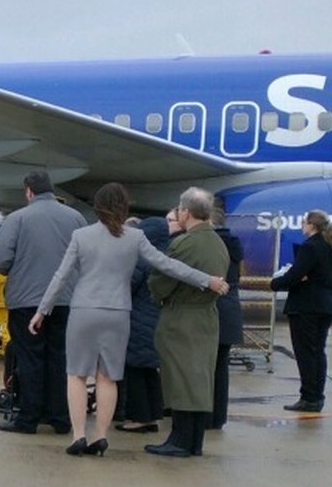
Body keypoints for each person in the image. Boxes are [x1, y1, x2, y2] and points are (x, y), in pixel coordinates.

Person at [30, 184, 225, 456]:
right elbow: (167, 265)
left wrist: (42, 310)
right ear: (125, 208)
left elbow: (61, 276)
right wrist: (207, 280)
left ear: (97, 207)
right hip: (118, 312)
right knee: (108, 377)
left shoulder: (81, 236)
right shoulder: (135, 237)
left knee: (76, 374)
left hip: (84, 310)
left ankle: (79, 435)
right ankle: (100, 435)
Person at [0, 171, 86, 434]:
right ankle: (60, 417)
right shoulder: (75, 217)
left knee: (29, 358)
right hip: (67, 299)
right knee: (60, 358)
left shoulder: (18, 219)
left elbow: (1, 259)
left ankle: (28, 417)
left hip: (26, 301)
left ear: (29, 191)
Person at [145, 188, 230, 458]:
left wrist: (156, 291)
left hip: (182, 316)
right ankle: (194, 441)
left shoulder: (185, 244)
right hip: (206, 316)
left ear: (186, 212)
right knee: (198, 379)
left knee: (180, 378)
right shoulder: (218, 243)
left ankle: (180, 440)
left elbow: (161, 281)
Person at [269, 209, 332, 413]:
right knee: (318, 352)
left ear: (311, 225)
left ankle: (309, 397)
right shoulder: (331, 247)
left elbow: (295, 274)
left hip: (306, 307)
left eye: (304, 222)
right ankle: (316, 396)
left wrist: (274, 283)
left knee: (305, 353)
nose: (302, 225)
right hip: (326, 305)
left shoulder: (309, 247)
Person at [112, 216, 171, 433]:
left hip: (138, 319)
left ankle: (139, 418)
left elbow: (126, 285)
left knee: (135, 369)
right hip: (157, 318)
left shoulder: (143, 258)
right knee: (149, 370)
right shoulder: (167, 255)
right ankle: (154, 414)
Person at [210, 204, 244, 429]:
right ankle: (218, 416)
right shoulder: (234, 244)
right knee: (221, 368)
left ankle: (205, 415)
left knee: (206, 368)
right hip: (231, 309)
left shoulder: (211, 244)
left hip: (213, 309)